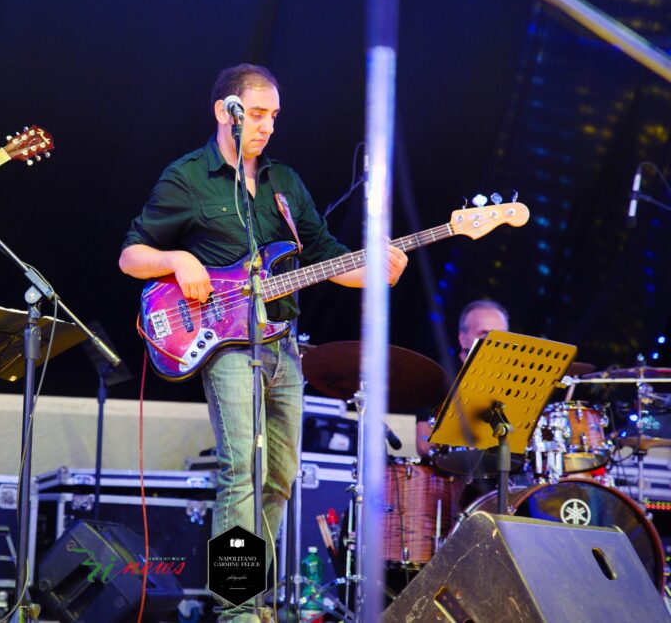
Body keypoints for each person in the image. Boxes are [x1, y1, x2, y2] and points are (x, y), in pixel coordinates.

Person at [119, 63, 407, 621]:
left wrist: (375, 268)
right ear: (224, 111)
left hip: (283, 345)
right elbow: (131, 255)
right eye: (256, 113)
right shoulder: (186, 178)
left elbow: (324, 257)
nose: (267, 126)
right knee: (240, 472)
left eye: (274, 115)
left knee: (279, 475)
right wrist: (178, 260)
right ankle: (238, 609)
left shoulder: (284, 184)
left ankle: (251, 592)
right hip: (225, 346)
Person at [415, 299, 509, 457]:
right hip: (452, 474)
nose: (495, 341)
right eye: (485, 333)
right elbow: (424, 445)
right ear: (463, 338)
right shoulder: (438, 376)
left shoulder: (512, 380)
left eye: (501, 335)